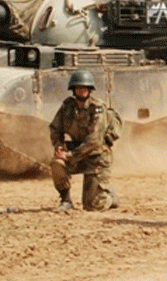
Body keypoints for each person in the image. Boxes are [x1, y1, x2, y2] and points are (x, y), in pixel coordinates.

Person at [48, 70, 122, 212]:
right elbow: (54, 128)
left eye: (85, 88)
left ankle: (109, 196)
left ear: (90, 90)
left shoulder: (97, 109)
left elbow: (93, 141)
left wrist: (70, 156)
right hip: (77, 152)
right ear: (73, 90)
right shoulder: (67, 107)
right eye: (78, 88)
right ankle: (66, 200)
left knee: (92, 206)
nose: (82, 91)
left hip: (97, 157)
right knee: (57, 164)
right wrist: (59, 146)